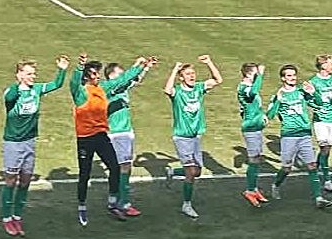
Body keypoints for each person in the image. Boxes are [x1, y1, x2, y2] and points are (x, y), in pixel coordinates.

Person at [70, 53, 151, 226]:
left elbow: (123, 80)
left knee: (115, 167)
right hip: (85, 138)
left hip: (101, 135)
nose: (98, 76)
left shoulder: (103, 88)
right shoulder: (80, 92)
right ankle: (82, 206)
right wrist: (79, 67)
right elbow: (73, 83)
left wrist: (141, 67)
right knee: (84, 174)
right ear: (86, 76)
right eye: (94, 73)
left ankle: (113, 202)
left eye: (98, 73)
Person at [0, 55, 69, 236]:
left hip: (29, 142)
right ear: (20, 74)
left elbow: (56, 84)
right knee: (10, 180)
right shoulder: (12, 92)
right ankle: (6, 218)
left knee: (25, 180)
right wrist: (18, 83)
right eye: (29, 73)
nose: (33, 76)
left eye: (34, 73)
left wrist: (62, 69)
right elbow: (10, 97)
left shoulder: (36, 89)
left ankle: (17, 216)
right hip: (13, 143)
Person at [163, 55, 221, 219]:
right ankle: (186, 204)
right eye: (188, 74)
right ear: (181, 77)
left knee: (197, 172)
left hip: (195, 137)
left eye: (193, 73)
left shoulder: (199, 88)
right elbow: (167, 90)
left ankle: (173, 171)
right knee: (190, 172)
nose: (192, 76)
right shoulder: (178, 92)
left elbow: (218, 80)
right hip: (182, 137)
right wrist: (175, 69)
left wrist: (209, 62)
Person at [267, 65, 332, 209]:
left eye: (294, 75)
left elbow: (319, 103)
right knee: (286, 168)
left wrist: (314, 92)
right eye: (289, 75)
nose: (293, 78)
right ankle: (276, 185)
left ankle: (319, 198)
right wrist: (278, 100)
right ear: (283, 78)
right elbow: (270, 115)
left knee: (312, 166)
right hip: (289, 136)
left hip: (305, 134)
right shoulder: (279, 95)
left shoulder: (301, 92)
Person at [105, 58, 154, 216]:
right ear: (111, 76)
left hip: (125, 132)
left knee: (120, 167)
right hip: (117, 133)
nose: (123, 76)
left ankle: (114, 200)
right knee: (124, 167)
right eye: (120, 73)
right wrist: (137, 65)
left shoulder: (122, 88)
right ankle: (124, 204)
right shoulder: (110, 89)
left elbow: (134, 80)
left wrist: (145, 68)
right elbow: (127, 79)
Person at [237, 63, 270, 207]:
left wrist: (263, 116)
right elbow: (253, 92)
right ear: (249, 74)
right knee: (253, 159)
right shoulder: (244, 88)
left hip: (256, 127)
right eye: (255, 73)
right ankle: (250, 190)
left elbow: (254, 107)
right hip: (250, 129)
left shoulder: (248, 86)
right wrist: (260, 75)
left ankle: (253, 188)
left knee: (256, 158)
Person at [309, 54, 332, 193]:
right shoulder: (314, 82)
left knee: (327, 149)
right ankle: (327, 180)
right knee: (325, 149)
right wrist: (317, 108)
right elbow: (309, 100)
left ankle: (315, 168)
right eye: (331, 63)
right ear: (323, 65)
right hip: (320, 120)